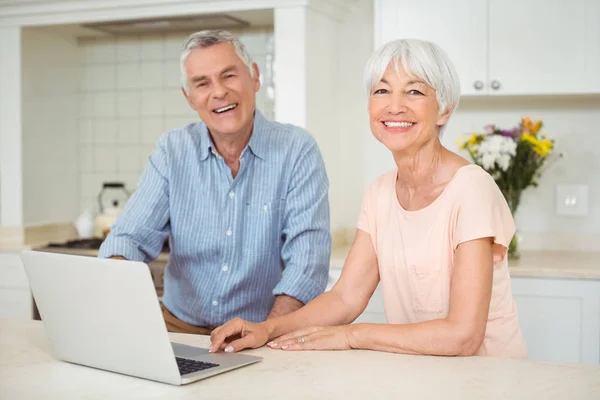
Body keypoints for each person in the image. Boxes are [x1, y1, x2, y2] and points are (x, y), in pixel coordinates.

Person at [209, 38, 528, 359]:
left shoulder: (471, 187)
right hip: (427, 375)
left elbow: (462, 336)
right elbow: (346, 297)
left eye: (414, 91)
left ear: (444, 109)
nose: (394, 105)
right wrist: (267, 328)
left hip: (488, 379)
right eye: (382, 91)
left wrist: (351, 336)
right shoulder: (380, 193)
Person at [98, 30, 331, 334]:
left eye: (229, 76)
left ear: (255, 77)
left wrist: (268, 332)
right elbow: (130, 238)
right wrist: (115, 281)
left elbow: (307, 261)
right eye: (202, 83)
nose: (218, 92)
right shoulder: (172, 151)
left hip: (263, 328)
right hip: (178, 326)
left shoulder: (297, 150)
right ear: (190, 97)